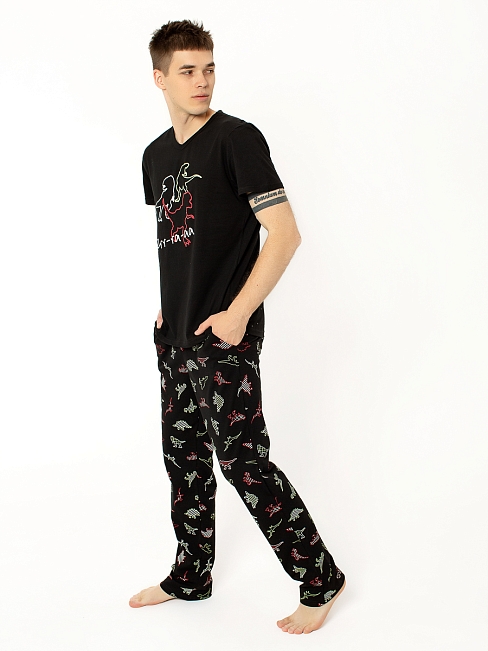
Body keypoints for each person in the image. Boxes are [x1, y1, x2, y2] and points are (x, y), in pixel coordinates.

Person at [129, 20, 346, 634]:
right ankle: (192, 574)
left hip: (225, 335)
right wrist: (169, 306)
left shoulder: (236, 139)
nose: (202, 81)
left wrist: (238, 313)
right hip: (175, 337)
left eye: (209, 68)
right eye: (187, 71)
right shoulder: (155, 157)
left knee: (244, 462)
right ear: (159, 78)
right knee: (184, 459)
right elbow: (182, 239)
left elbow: (285, 234)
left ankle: (320, 577)